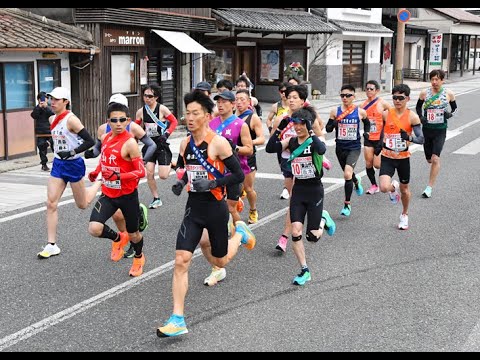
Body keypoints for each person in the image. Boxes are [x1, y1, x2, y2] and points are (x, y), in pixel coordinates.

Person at [156, 90, 256, 338]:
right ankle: (177, 318)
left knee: (219, 261)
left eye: (195, 113)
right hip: (193, 209)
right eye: (187, 113)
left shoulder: (218, 143)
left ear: (207, 116)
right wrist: (180, 182)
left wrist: (212, 184)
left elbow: (238, 175)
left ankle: (239, 235)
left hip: (216, 209)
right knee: (181, 260)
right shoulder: (184, 143)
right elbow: (183, 170)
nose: (189, 118)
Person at [266, 106, 335, 285]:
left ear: (308, 124)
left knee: (312, 237)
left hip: (314, 191)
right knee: (296, 232)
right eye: (295, 124)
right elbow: (269, 148)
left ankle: (323, 219)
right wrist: (280, 128)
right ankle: (304, 270)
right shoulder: (290, 141)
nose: (297, 127)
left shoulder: (313, 141)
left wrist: (311, 131)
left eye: (301, 124)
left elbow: (321, 150)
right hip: (298, 191)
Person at [85, 93, 155, 258]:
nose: (118, 124)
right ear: (108, 121)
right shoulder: (105, 137)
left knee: (134, 234)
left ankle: (139, 258)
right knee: (94, 228)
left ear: (128, 120)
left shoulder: (131, 143)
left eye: (122, 120)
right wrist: (96, 171)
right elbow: (105, 158)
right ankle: (118, 238)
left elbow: (141, 172)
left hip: (127, 196)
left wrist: (118, 176)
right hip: (108, 193)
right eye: (114, 120)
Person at [271, 85, 334, 253]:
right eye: (288, 96)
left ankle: (285, 236)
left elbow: (321, 138)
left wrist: (317, 154)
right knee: (294, 198)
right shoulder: (282, 118)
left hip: (307, 161)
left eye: (294, 97)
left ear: (302, 100)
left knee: (294, 199)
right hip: (288, 160)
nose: (290, 100)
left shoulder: (309, 117)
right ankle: (289, 233)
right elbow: (271, 141)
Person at [201, 90, 254, 286]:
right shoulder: (212, 123)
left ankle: (239, 231)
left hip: (233, 175)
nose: (221, 105)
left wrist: (235, 148)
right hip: (213, 177)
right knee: (218, 215)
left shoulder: (240, 125)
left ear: (233, 104)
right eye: (218, 102)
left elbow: (249, 149)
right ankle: (219, 263)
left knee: (229, 210)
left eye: (225, 102)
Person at [37, 87, 96, 259]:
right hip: (58, 165)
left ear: (66, 102)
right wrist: (54, 148)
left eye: (56, 99)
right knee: (51, 203)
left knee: (82, 204)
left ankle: (98, 182)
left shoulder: (72, 120)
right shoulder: (51, 118)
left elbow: (90, 141)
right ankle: (51, 244)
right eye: (51, 99)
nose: (52, 102)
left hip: (74, 164)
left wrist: (71, 152)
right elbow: (58, 140)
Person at [379, 84, 424, 230]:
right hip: (387, 156)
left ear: (407, 99)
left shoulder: (412, 116)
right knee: (384, 187)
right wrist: (378, 144)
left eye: (401, 98)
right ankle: (393, 188)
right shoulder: (386, 114)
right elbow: (381, 131)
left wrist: (409, 137)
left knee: (405, 190)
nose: (397, 100)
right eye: (394, 97)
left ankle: (404, 214)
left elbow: (421, 139)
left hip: (403, 158)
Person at [326, 84, 370, 217]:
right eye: (342, 95)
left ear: (354, 97)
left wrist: (366, 133)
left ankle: (347, 204)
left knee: (346, 174)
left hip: (354, 147)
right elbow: (328, 129)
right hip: (340, 147)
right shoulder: (335, 111)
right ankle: (356, 181)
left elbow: (367, 123)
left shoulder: (360, 112)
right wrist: (333, 124)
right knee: (348, 174)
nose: (345, 98)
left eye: (348, 95)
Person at [416, 69, 457, 198]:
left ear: (442, 80)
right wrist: (421, 117)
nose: (434, 82)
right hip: (427, 130)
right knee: (429, 159)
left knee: (435, 158)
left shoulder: (448, 93)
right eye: (432, 79)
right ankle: (431, 159)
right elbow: (418, 107)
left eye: (437, 79)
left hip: (440, 130)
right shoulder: (424, 93)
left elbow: (455, 108)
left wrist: (449, 114)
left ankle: (429, 187)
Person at [135, 85, 178, 209]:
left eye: (150, 96)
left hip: (161, 143)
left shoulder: (162, 109)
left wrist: (167, 134)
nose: (147, 98)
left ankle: (172, 164)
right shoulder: (140, 112)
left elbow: (174, 121)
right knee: (149, 173)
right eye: (145, 96)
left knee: (164, 176)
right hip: (149, 145)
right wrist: (134, 142)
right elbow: (136, 128)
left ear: (156, 97)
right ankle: (156, 198)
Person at [235, 89, 266, 224]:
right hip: (231, 156)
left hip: (247, 158)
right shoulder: (230, 116)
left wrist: (248, 143)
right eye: (237, 99)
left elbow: (262, 138)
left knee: (248, 188)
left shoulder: (252, 118)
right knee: (229, 188)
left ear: (249, 102)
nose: (239, 102)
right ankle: (232, 216)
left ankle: (253, 209)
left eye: (243, 99)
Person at [361, 80, 392, 194]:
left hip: (380, 137)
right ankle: (374, 185)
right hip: (368, 138)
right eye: (367, 89)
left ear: (377, 91)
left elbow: (392, 115)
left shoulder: (382, 103)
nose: (369, 91)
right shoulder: (362, 105)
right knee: (368, 163)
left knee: (377, 165)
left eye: (371, 89)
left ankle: (386, 178)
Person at [31, 91, 54, 171]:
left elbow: (52, 114)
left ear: (47, 100)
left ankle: (57, 163)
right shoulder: (37, 108)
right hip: (40, 133)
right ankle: (44, 164)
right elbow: (34, 116)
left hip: (50, 132)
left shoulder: (50, 107)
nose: (43, 100)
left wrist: (46, 107)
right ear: (38, 100)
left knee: (55, 148)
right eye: (41, 98)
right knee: (42, 149)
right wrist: (39, 107)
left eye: (45, 98)